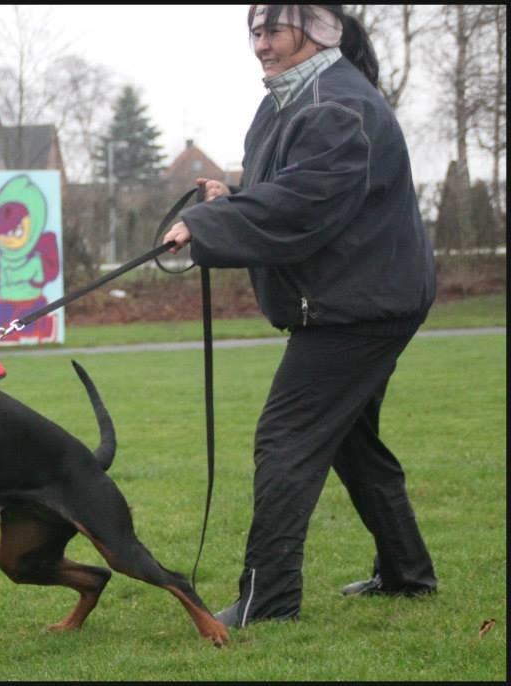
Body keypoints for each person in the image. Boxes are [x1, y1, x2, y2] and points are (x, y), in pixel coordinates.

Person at [163, 4, 438, 628]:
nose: (261, 43)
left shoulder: (341, 108)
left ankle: (271, 599)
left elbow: (302, 205)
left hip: (359, 308)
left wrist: (206, 226)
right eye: (254, 31)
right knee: (351, 440)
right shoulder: (286, 103)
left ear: (319, 33)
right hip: (361, 298)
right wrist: (230, 199)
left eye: (274, 30)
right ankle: (408, 573)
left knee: (284, 440)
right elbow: (284, 187)